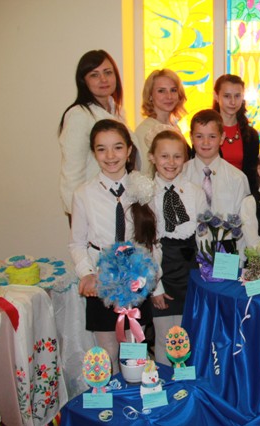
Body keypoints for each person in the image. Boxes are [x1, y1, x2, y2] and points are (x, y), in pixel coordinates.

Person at [69, 119, 158, 372]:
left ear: (129, 150)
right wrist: (87, 274)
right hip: (102, 281)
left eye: (118, 147)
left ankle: (135, 392)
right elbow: (76, 243)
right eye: (102, 149)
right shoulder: (84, 194)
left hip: (136, 281)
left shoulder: (144, 188)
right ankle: (109, 396)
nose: (110, 156)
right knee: (107, 352)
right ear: (94, 153)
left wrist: (150, 275)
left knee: (135, 350)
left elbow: (153, 240)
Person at [148, 130, 206, 366]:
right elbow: (147, 244)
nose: (171, 162)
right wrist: (155, 287)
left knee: (188, 336)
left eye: (177, 156)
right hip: (162, 271)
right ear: (152, 157)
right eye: (164, 156)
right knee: (165, 337)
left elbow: (203, 237)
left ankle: (185, 384)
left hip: (190, 271)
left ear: (185, 159)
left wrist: (207, 275)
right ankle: (165, 384)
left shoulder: (195, 192)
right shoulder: (145, 194)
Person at [59, 50, 138, 219]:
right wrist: (76, 215)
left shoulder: (117, 111)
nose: (103, 79)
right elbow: (72, 172)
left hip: (119, 202)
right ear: (84, 81)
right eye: (94, 75)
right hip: (93, 207)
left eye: (108, 72)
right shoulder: (79, 115)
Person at [183, 110, 250, 252]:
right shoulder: (181, 175)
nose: (205, 142)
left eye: (212, 136)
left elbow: (244, 223)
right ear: (191, 137)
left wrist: (240, 259)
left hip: (226, 250)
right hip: (188, 251)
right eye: (199, 136)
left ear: (222, 138)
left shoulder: (237, 178)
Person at [135, 69, 188, 176]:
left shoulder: (175, 127)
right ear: (150, 96)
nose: (169, 96)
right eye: (161, 91)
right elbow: (145, 173)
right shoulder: (145, 130)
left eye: (173, 90)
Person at [213, 74, 260, 190]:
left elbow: (252, 176)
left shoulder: (251, 135)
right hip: (211, 193)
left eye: (237, 96)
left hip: (242, 194)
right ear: (216, 96)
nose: (233, 102)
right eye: (227, 96)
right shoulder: (205, 131)